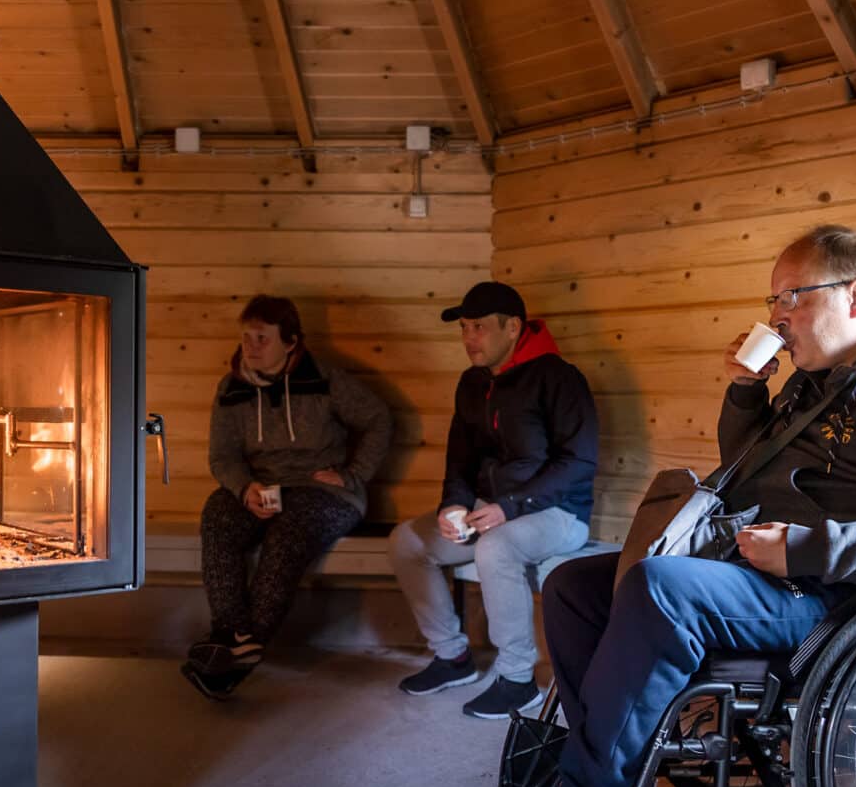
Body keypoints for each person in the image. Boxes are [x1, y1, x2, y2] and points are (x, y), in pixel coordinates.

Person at [447, 225, 856, 787]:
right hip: (767, 567)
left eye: (792, 298)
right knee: (576, 586)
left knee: (661, 588)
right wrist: (749, 391)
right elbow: (745, 469)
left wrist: (806, 549)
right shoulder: (820, 379)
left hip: (843, 600)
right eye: (774, 301)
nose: (776, 317)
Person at [389, 281, 598, 719]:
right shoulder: (471, 384)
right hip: (490, 511)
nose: (469, 339)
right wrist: (452, 506)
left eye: (479, 328)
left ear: (513, 327)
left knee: (496, 546)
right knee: (407, 541)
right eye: (464, 328)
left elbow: (577, 462)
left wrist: (511, 507)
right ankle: (452, 657)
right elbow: (460, 459)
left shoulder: (559, 378)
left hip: (558, 515)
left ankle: (518, 680)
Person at [182, 295, 392, 700]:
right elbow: (222, 455)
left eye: (262, 338)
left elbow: (379, 419)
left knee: (289, 532)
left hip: (323, 492)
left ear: (291, 342)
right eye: (246, 337)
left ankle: (241, 650)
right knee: (217, 515)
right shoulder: (232, 389)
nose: (251, 346)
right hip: (260, 488)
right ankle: (230, 634)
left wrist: (353, 475)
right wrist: (244, 488)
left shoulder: (325, 380)